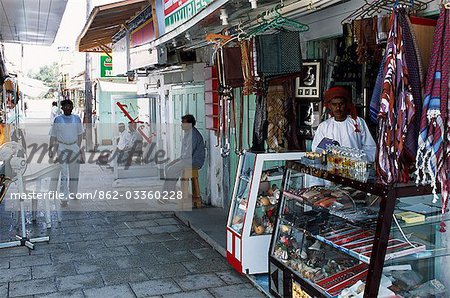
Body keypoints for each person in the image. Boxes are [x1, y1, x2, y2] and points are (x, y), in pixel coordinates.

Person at [312, 86, 376, 162]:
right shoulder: (324, 126)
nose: (338, 108)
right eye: (334, 104)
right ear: (329, 106)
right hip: (331, 169)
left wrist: (360, 160)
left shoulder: (358, 122)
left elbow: (370, 147)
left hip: (354, 169)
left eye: (341, 104)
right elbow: (316, 150)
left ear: (347, 104)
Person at [48, 99, 84, 206]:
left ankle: (73, 192)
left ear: (72, 107)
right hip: (61, 146)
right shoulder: (57, 119)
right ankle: (64, 197)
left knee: (74, 172)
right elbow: (53, 136)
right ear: (62, 108)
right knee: (64, 172)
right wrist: (51, 150)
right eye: (65, 107)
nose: (67, 108)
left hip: (74, 146)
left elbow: (80, 134)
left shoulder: (77, 119)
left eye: (69, 106)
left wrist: (77, 146)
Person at [163, 114, 206, 193]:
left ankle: (168, 193)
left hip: (194, 161)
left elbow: (188, 153)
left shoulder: (193, 135)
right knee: (167, 167)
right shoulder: (188, 133)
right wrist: (177, 160)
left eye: (183, 123)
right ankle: (171, 190)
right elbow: (185, 154)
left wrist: (178, 161)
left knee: (172, 169)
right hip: (187, 159)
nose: (181, 125)